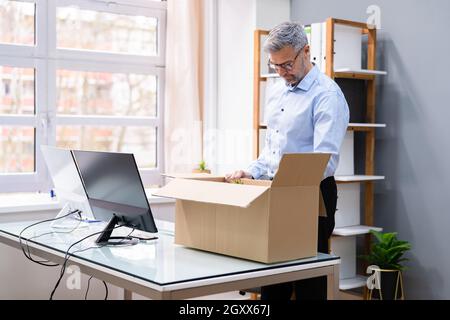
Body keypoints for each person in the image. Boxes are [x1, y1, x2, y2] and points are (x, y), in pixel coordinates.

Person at [225, 22, 349, 300]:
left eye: (287, 64)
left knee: (308, 283)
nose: (282, 72)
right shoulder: (278, 90)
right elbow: (272, 151)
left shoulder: (327, 95)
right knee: (273, 279)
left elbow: (324, 161)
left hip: (311, 195)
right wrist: (251, 170)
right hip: (276, 194)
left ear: (306, 51)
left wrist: (283, 184)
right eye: (275, 65)